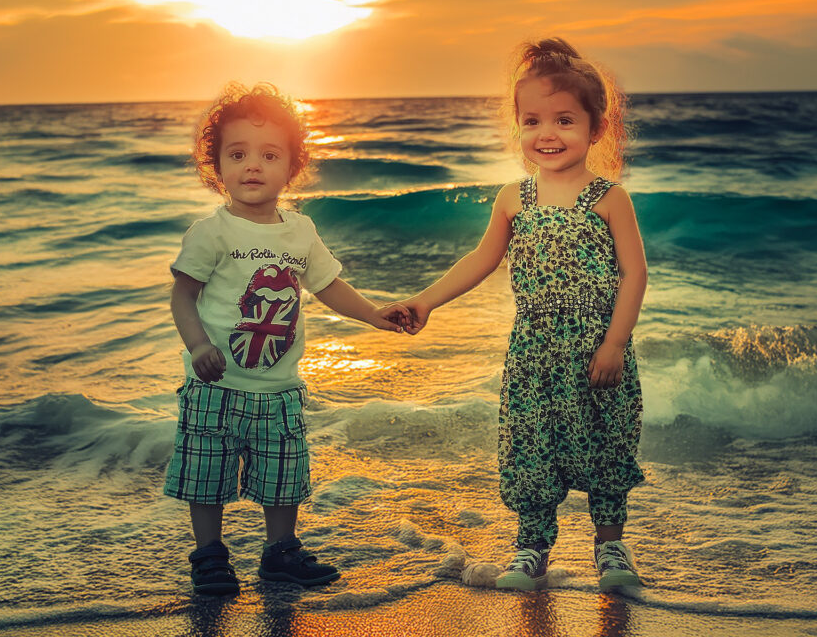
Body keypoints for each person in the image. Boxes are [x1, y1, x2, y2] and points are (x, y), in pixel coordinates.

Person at [398, 38, 647, 592]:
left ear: (596, 128)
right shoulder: (514, 198)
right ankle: (530, 551)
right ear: (518, 128)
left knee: (607, 450)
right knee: (531, 451)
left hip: (596, 354)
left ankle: (611, 552)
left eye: (564, 120)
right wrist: (426, 301)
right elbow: (481, 259)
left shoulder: (610, 197)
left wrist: (612, 344)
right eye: (532, 121)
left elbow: (635, 275)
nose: (548, 134)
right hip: (534, 356)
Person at [164, 82, 409, 595]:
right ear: (217, 167)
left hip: (277, 386)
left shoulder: (300, 232)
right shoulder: (212, 233)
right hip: (215, 384)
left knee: (284, 472)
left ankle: (280, 552)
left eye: (268, 155)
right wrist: (199, 347)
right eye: (237, 154)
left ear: (291, 167)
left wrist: (373, 315)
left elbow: (328, 286)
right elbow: (182, 297)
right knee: (207, 474)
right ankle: (209, 556)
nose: (252, 166)